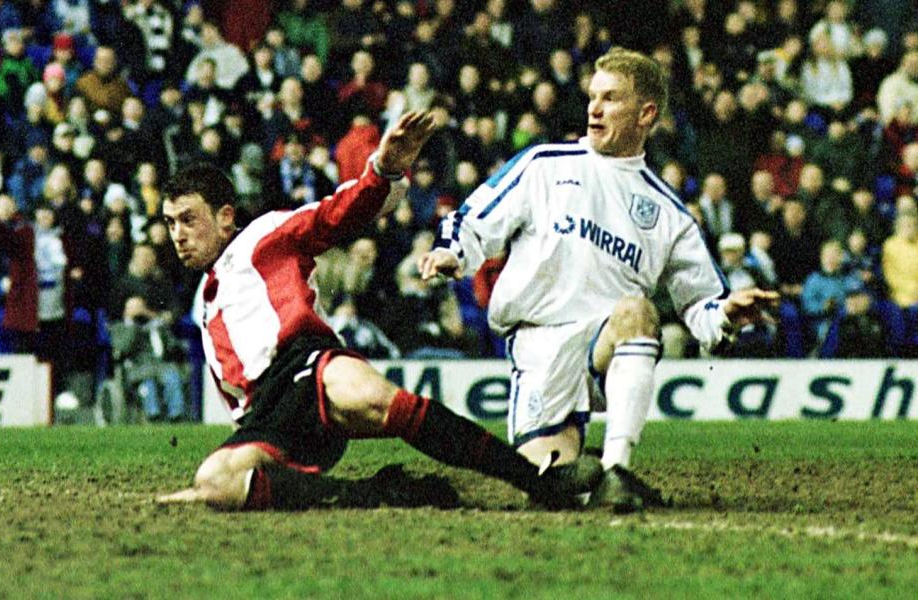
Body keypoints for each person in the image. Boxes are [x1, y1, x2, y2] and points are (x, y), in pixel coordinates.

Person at [156, 111, 605, 511]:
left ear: (226, 217)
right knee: (215, 482)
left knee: (376, 398)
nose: (177, 234)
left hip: (307, 367)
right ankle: (378, 492)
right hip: (268, 419)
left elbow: (338, 213)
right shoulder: (207, 304)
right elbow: (235, 398)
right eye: (170, 223)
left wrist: (383, 170)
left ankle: (540, 480)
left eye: (188, 219)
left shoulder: (265, 236)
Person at [419, 49, 780, 511]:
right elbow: (472, 221)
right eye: (593, 96)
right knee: (553, 486)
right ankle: (584, 469)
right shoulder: (545, 165)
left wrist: (725, 314)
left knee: (637, 312)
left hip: (607, 344)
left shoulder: (670, 214)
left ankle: (617, 469)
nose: (594, 107)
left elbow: (702, 306)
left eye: (610, 98)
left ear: (645, 113)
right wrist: (452, 253)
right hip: (540, 348)